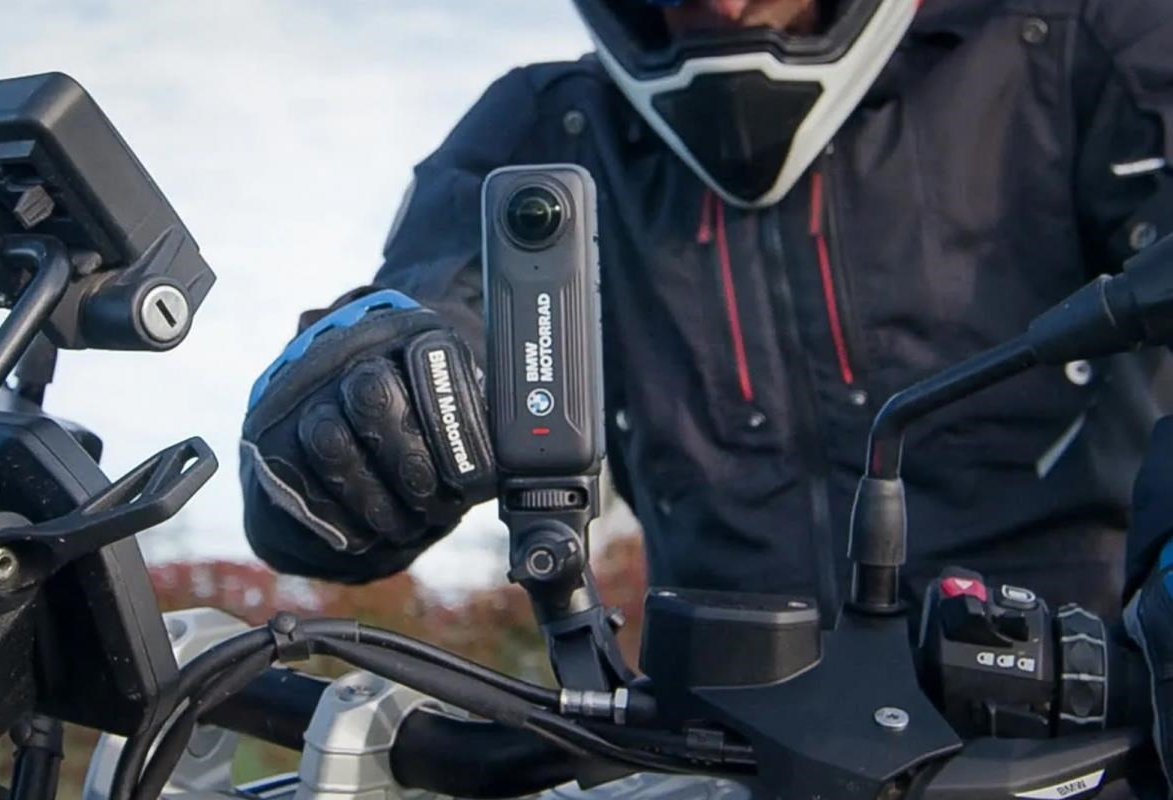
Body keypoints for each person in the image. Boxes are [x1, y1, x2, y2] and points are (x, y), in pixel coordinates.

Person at [239, 0, 1172, 784]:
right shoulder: (542, 130)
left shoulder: (1084, 40)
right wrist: (356, 413)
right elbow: (442, 308)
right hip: (710, 759)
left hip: (1094, 743)